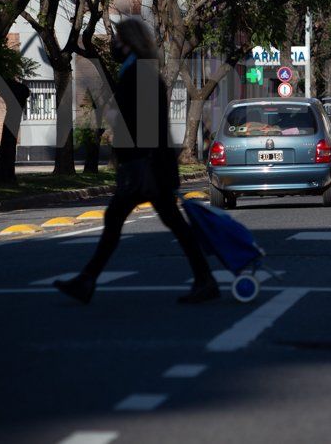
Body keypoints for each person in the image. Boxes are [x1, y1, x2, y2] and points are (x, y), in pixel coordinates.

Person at [55, 17, 216, 305]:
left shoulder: (139, 74)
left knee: (121, 219)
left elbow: (145, 124)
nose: (115, 44)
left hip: (146, 166)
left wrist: (116, 121)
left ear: (128, 43)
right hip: (150, 165)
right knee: (167, 222)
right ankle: (205, 279)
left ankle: (87, 280)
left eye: (119, 39)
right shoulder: (140, 71)